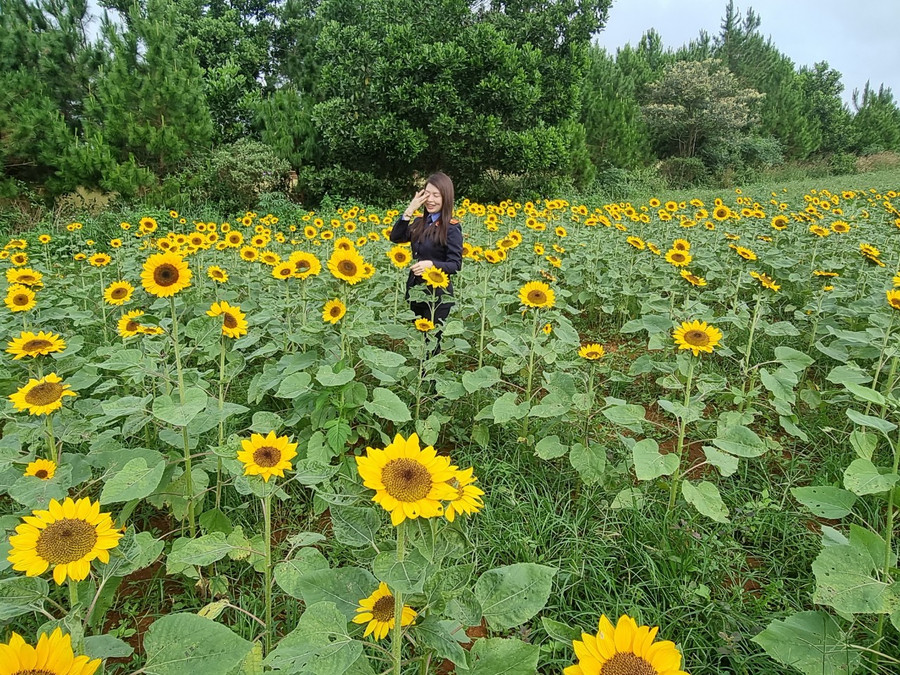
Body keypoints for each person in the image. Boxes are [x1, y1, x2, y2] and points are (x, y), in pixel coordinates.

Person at [390, 172, 463, 353]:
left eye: (436, 195)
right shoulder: (418, 222)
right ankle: (422, 376)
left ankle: (431, 381)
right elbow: (396, 237)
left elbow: (455, 264)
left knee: (433, 342)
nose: (430, 200)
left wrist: (431, 265)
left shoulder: (451, 228)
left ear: (446, 197)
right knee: (420, 339)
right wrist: (409, 209)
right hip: (417, 291)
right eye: (427, 194)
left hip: (438, 296)